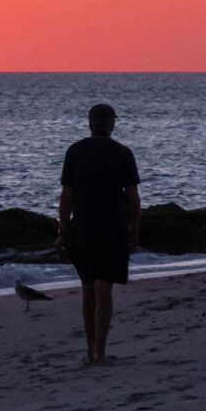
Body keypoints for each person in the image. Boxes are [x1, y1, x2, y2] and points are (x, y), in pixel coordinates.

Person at [59, 102, 142, 366]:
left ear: (90, 123)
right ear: (112, 124)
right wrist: (135, 231)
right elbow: (133, 198)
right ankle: (100, 352)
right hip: (113, 227)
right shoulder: (123, 153)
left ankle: (89, 349)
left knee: (87, 288)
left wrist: (62, 230)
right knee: (104, 287)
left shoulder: (75, 152)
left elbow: (67, 196)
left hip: (82, 227)